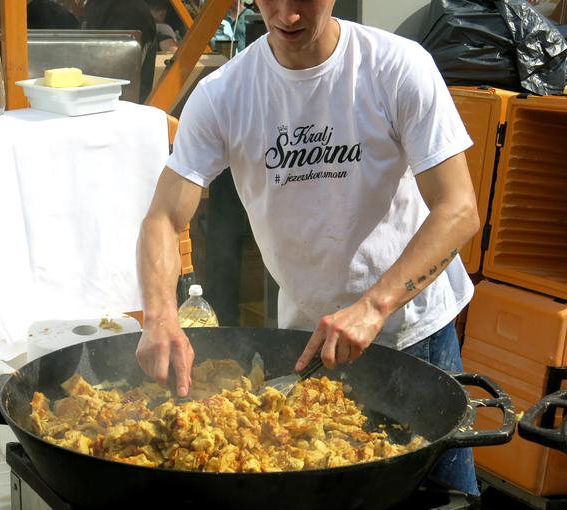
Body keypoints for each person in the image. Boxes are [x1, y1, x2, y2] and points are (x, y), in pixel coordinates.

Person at [135, 0, 480, 496]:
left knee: (446, 498)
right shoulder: (224, 94)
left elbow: (458, 208)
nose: (287, 15)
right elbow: (163, 219)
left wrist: (373, 305)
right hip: (306, 340)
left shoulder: (396, 66)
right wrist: (160, 315)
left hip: (412, 330)